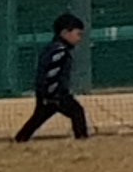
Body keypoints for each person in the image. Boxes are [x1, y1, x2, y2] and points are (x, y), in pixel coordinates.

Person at [13, 11, 90, 143]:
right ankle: (82, 138)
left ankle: (21, 138)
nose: (79, 38)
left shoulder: (52, 49)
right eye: (78, 34)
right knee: (76, 111)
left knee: (38, 118)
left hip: (47, 94)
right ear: (65, 33)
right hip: (56, 94)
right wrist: (52, 95)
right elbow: (52, 73)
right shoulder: (60, 51)